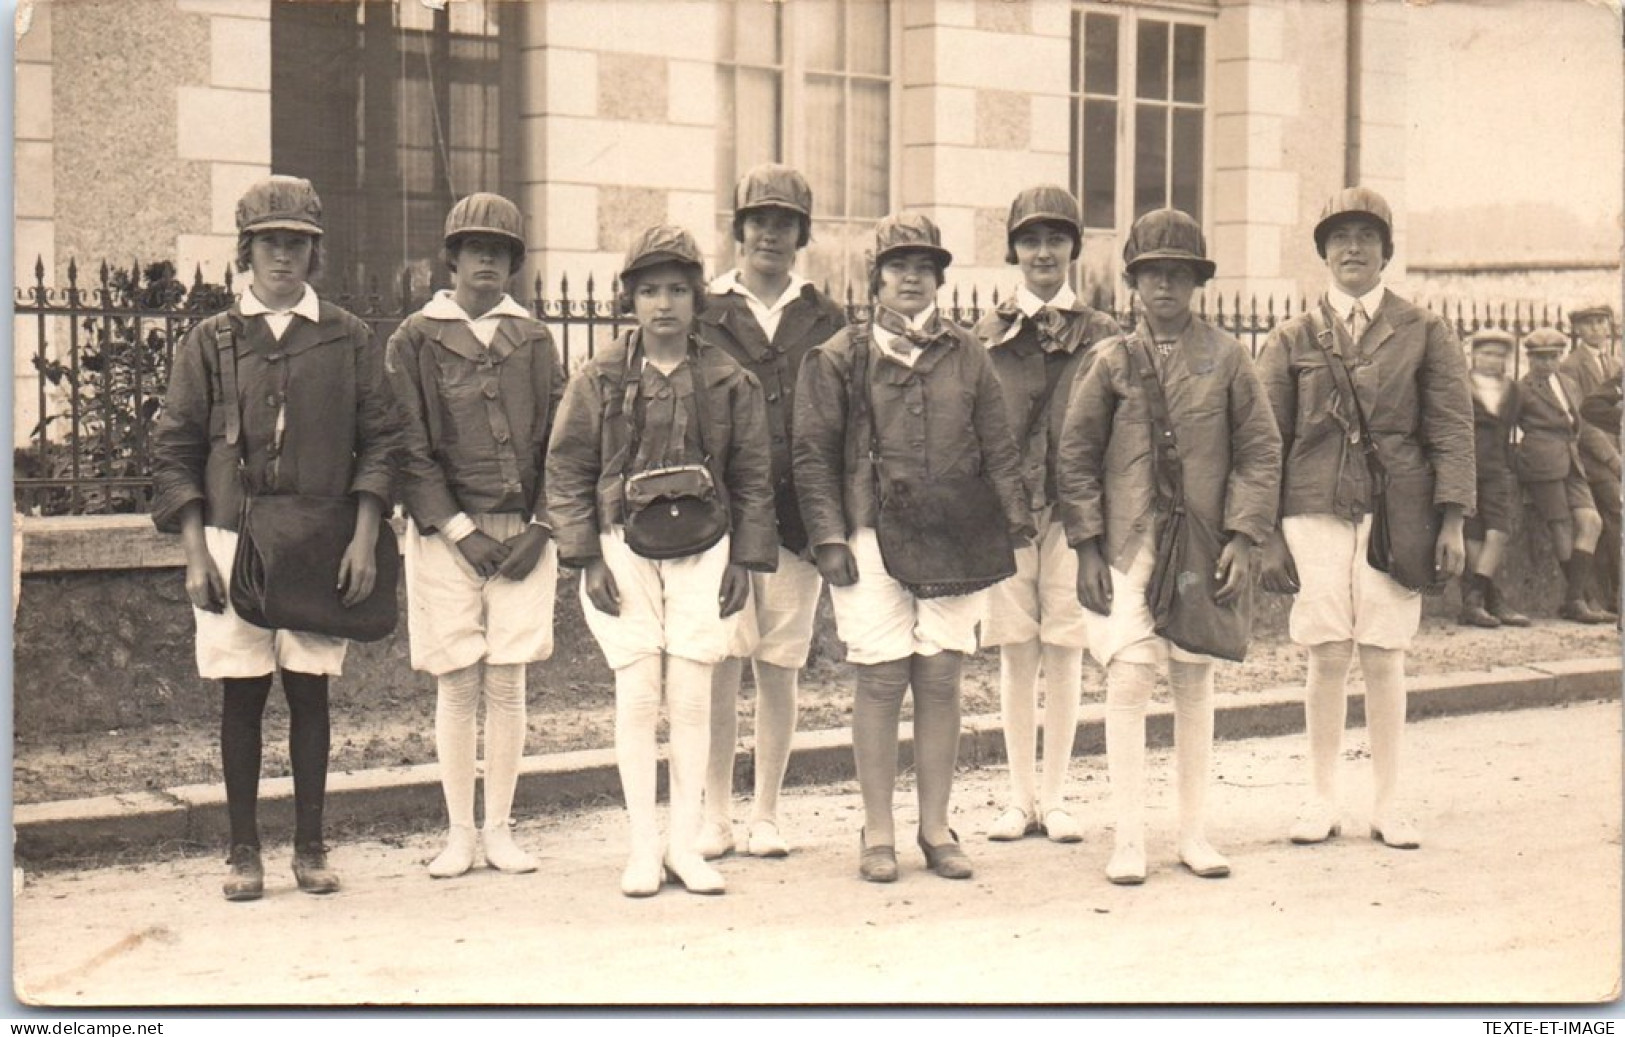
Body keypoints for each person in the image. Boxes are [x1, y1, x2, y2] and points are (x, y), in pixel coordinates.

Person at [150, 175, 403, 900]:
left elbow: (380, 441)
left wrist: (363, 537)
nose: (283, 257)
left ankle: (310, 845)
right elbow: (176, 448)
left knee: (309, 692)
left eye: (296, 243)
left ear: (313, 251)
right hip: (233, 539)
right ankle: (241, 851)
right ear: (247, 250)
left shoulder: (348, 336)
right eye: (270, 243)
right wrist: (195, 549)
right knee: (241, 695)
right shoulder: (213, 339)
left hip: (323, 539)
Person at [794, 212, 1029, 883]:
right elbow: (812, 455)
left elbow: (997, 443)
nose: (911, 277)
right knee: (879, 677)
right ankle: (877, 831)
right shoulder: (842, 354)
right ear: (876, 275)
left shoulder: (966, 352)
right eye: (898, 265)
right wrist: (829, 536)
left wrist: (1011, 521)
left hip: (955, 530)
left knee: (941, 675)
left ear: (938, 278)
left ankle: (935, 827)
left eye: (924, 266)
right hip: (870, 534)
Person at [546, 225, 776, 897]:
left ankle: (686, 843)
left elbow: (754, 474)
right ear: (629, 299)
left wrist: (747, 559)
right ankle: (642, 847)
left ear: (697, 298)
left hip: (706, 547)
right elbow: (567, 467)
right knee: (638, 691)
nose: (664, 304)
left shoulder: (727, 377)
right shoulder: (600, 376)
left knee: (694, 692)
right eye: (649, 291)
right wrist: (585, 554)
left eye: (677, 289)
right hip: (624, 545)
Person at [1057, 208, 1281, 885]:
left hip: (1202, 544)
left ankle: (1192, 833)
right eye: (1151, 275)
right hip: (1128, 547)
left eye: (1177, 275)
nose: (1164, 288)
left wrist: (1244, 535)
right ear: (1131, 282)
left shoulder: (1227, 357)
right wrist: (1088, 548)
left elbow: (1259, 450)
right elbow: (1074, 456)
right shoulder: (1110, 359)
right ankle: (1128, 838)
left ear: (1196, 282)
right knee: (1128, 677)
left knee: (1192, 678)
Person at [1257, 187, 1476, 851]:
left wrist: (1452, 519)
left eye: (1365, 236)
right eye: (1338, 237)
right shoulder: (1291, 337)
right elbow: (1264, 440)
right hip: (1312, 511)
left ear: (1385, 250)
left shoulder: (1422, 330)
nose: (1352, 248)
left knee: (1384, 654)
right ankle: (1320, 796)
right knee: (1325, 654)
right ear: (1322, 251)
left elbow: (1450, 428)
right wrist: (1263, 530)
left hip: (1397, 512)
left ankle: (1388, 802)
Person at [385, 193, 564, 878]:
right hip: (445, 536)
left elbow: (559, 440)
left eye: (500, 249)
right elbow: (409, 444)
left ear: (514, 263)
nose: (486, 259)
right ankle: (459, 831)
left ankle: (500, 828)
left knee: (509, 678)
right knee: (457, 678)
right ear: (451, 258)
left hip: (521, 535)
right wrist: (459, 528)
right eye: (474, 247)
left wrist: (542, 525)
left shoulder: (535, 339)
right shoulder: (415, 337)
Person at [697, 164, 846, 860]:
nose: (769, 233)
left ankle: (765, 813)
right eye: (758, 219)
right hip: (720, 520)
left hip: (794, 519)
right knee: (722, 662)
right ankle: (715, 813)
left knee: (778, 664)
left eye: (783, 221)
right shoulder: (704, 308)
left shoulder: (824, 316)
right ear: (739, 227)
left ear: (801, 234)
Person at [974, 185, 1120, 845]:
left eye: (1054, 239)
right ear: (1013, 249)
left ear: (1072, 249)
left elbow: (1118, 424)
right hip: (1007, 511)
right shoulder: (986, 332)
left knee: (1064, 646)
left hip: (1072, 509)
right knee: (1015, 649)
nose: (1042, 252)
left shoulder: (1102, 333)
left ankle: (1056, 796)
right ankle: (1017, 796)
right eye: (1029, 240)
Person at [1516, 328, 1611, 624]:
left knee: (1591, 521)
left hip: (1572, 460)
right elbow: (1506, 427)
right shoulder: (1521, 388)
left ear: (1560, 357)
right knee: (1560, 526)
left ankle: (1574, 598)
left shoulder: (1568, 383)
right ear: (1529, 358)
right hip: (1542, 462)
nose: (1546, 364)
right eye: (1539, 358)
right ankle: (1580, 601)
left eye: (1552, 357)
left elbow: (1586, 425)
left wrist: (1614, 459)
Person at [1456, 329, 1530, 628]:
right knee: (1473, 533)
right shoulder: (1460, 384)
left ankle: (1476, 598)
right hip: (1466, 465)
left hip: (1496, 467)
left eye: (1499, 355)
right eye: (1486, 353)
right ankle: (1488, 601)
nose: (1492, 360)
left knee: (1499, 530)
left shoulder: (1513, 390)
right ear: (1473, 355)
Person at [1559, 303, 1621, 614]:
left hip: (1616, 454)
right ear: (1578, 330)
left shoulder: (1615, 363)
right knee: (1614, 517)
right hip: (1594, 460)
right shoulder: (1572, 366)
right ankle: (1613, 595)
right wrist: (1614, 460)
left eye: (1602, 322)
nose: (1598, 329)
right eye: (1590, 324)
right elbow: (1585, 421)